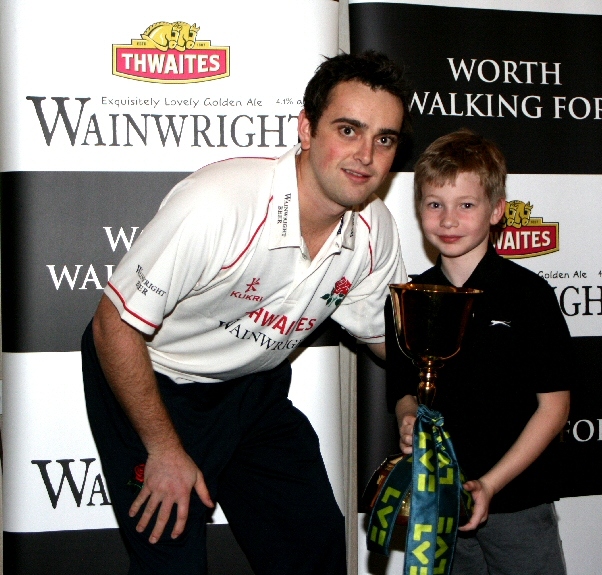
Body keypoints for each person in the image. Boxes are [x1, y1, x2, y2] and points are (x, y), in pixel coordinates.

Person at [81, 51, 410, 575]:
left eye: (385, 139)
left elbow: (388, 339)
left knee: (315, 543)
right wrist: (164, 449)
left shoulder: (376, 229)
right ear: (306, 129)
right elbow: (112, 326)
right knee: (172, 562)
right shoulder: (221, 202)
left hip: (253, 389)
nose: (366, 155)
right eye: (348, 130)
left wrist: (412, 401)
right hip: (154, 378)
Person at [386, 128, 571, 575]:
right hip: (437, 502)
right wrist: (408, 418)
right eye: (435, 204)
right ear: (419, 210)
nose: (448, 219)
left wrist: (490, 484)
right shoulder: (408, 297)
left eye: (465, 205)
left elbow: (555, 407)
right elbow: (403, 391)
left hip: (518, 503)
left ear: (496, 211)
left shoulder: (529, 295)